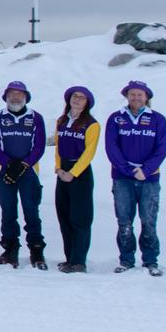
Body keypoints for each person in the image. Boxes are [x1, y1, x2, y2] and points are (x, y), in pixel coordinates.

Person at [105, 80, 166, 276]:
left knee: (148, 219)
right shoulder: (116, 118)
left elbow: (162, 148)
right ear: (127, 96)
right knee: (124, 220)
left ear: (147, 97)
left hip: (149, 178)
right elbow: (111, 147)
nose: (136, 97)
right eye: (132, 94)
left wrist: (146, 170)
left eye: (140, 94)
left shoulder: (158, 119)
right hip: (122, 177)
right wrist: (127, 170)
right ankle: (126, 259)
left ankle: (151, 260)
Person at [0, 81, 47, 270]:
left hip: (28, 172)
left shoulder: (35, 117)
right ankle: (10, 249)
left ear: (25, 97)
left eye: (19, 94)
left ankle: (37, 250)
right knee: (8, 212)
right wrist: (8, 163)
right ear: (6, 96)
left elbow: (39, 146)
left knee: (31, 212)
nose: (16, 97)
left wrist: (22, 165)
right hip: (5, 171)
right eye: (12, 94)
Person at [54, 86, 98, 273]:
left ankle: (79, 261)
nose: (77, 100)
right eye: (75, 96)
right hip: (63, 171)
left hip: (80, 173)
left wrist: (73, 172)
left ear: (87, 102)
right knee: (64, 216)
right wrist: (58, 168)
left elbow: (89, 152)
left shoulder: (91, 124)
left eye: (82, 97)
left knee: (80, 218)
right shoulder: (62, 120)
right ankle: (69, 258)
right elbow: (58, 147)